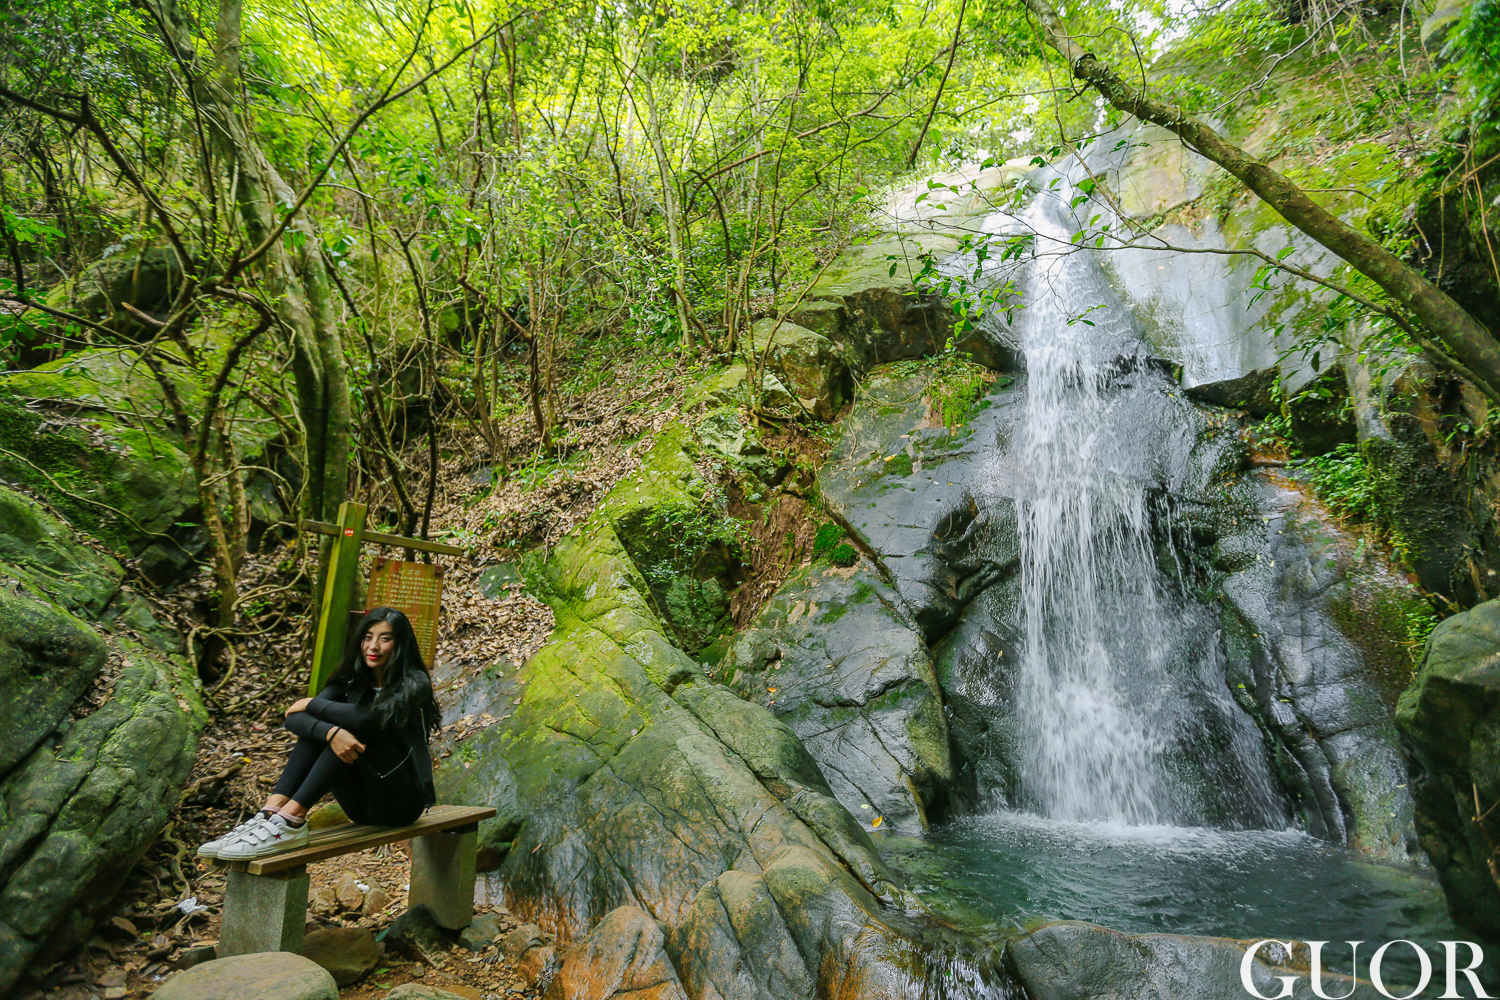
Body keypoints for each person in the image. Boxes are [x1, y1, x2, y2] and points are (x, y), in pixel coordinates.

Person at [197, 607, 441, 861]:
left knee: (355, 727)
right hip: (359, 805)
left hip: (400, 804)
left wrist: (312, 704)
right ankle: (272, 812)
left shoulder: (414, 682)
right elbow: (294, 719)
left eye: (385, 638)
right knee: (326, 731)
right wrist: (331, 733)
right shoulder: (351, 679)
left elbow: (370, 718)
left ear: (400, 644)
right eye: (368, 637)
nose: (374, 646)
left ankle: (291, 819)